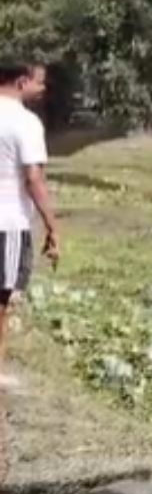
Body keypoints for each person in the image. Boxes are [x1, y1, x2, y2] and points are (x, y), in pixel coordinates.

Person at [0, 62, 58, 391]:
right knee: (1, 300)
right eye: (40, 83)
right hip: (6, 223)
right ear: (22, 82)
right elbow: (33, 178)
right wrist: (53, 226)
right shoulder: (24, 121)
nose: (43, 89)